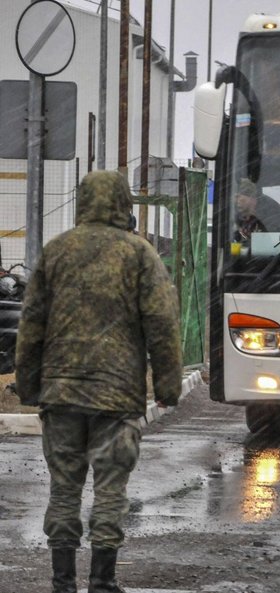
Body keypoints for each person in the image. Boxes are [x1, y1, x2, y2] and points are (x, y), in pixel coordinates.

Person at [15, 170, 183, 593]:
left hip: (62, 392)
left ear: (82, 201)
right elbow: (162, 324)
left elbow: (31, 324)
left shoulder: (56, 252)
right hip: (116, 394)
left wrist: (30, 385)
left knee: (64, 488)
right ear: (124, 203)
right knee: (111, 488)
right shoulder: (140, 255)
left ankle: (62, 580)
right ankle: (103, 580)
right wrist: (167, 386)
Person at [233, 178, 280, 244]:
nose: (236, 201)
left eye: (238, 196)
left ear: (252, 198)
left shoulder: (271, 216)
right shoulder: (238, 219)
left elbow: (279, 242)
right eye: (235, 197)